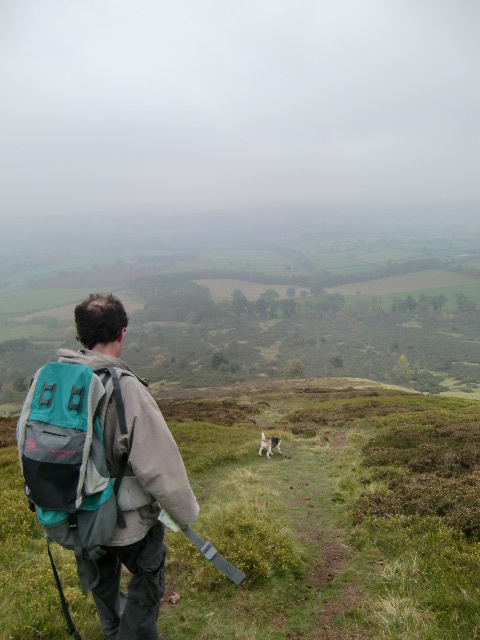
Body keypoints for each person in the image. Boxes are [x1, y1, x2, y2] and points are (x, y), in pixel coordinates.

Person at [57, 293, 199, 640]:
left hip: (76, 517)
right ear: (121, 333)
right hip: (124, 523)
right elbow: (159, 467)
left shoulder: (59, 382)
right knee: (149, 572)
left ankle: (112, 631)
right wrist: (187, 514)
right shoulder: (125, 389)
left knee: (103, 581)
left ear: (82, 335)